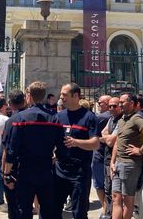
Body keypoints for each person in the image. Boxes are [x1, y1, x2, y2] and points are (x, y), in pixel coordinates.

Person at [4, 81, 65, 219]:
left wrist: (7, 173)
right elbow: (61, 146)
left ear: (29, 96)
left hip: (25, 171)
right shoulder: (53, 118)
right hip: (46, 170)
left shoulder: (19, 118)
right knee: (48, 210)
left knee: (23, 210)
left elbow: (11, 149)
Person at [55, 83, 99, 219]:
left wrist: (76, 142)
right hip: (60, 170)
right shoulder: (59, 116)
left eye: (64, 95)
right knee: (53, 209)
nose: (61, 97)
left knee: (79, 212)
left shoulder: (89, 117)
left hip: (80, 172)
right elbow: (53, 140)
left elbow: (95, 143)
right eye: (61, 94)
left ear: (75, 96)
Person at [110, 93, 143, 219]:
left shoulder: (137, 118)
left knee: (127, 200)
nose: (119, 104)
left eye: (122, 102)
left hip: (129, 164)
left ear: (131, 103)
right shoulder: (121, 120)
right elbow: (118, 142)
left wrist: (140, 151)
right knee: (116, 198)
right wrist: (112, 162)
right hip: (118, 164)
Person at [0, 90, 26, 219]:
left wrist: (5, 173)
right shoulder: (36, 117)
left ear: (10, 103)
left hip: (15, 169)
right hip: (34, 168)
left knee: (14, 207)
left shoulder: (11, 121)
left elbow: (7, 149)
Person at [101, 97, 122, 219]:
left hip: (115, 160)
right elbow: (104, 134)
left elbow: (110, 141)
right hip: (107, 158)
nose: (112, 108)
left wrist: (107, 137)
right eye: (110, 106)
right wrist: (107, 137)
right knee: (107, 189)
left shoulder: (121, 120)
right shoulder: (111, 119)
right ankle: (108, 213)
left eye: (115, 106)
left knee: (114, 191)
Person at [93, 95, 111, 217]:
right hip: (110, 156)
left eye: (100, 103)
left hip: (99, 155)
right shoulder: (118, 117)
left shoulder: (99, 118)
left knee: (99, 184)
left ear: (106, 103)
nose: (98, 105)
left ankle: (105, 210)